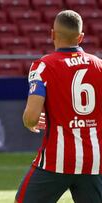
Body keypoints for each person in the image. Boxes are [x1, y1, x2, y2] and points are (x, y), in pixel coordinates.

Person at [15, 10, 102, 203]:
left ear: (52, 34)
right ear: (81, 37)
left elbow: (31, 116)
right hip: (93, 161)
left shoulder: (43, 66)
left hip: (56, 160)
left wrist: (31, 121)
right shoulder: (99, 65)